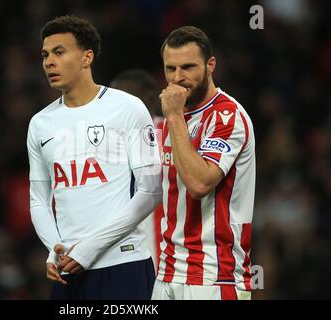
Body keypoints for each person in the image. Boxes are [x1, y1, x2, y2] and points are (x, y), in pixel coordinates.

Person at [26, 16, 162, 300]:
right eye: (45, 55)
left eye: (59, 52)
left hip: (123, 264)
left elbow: (151, 191)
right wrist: (54, 248)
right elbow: (39, 199)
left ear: (87, 57)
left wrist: (90, 249)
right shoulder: (40, 124)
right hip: (68, 271)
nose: (49, 61)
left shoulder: (127, 108)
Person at [152, 26, 256, 300]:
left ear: (211, 65)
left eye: (188, 67)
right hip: (167, 271)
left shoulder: (227, 116)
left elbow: (199, 184)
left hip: (214, 275)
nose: (177, 78)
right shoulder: (169, 120)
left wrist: (174, 116)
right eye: (170, 68)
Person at [110, 69, 164, 272]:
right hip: (125, 258)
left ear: (148, 100)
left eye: (122, 100)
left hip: (167, 257)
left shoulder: (170, 135)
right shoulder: (108, 143)